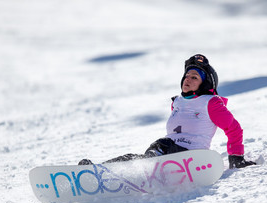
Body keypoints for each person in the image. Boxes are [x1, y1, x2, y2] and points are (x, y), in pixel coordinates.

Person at [79, 54, 255, 169]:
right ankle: (99, 171)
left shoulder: (211, 103)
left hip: (193, 159)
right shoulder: (177, 103)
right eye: (187, 75)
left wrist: (236, 157)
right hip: (168, 155)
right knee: (137, 159)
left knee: (160, 146)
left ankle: (143, 167)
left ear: (205, 83)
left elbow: (234, 128)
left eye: (194, 77)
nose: (188, 79)